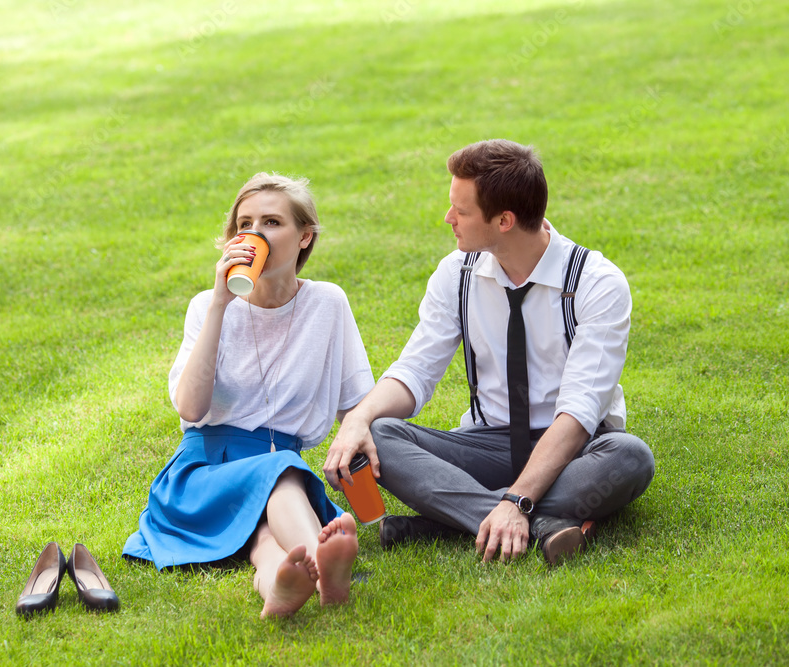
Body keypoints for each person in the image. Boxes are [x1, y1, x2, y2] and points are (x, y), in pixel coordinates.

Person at [324, 139, 655, 565]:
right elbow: (416, 370)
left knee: (631, 456)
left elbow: (578, 414)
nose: (448, 220)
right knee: (382, 435)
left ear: (504, 220)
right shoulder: (456, 274)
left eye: (460, 212)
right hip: (488, 444)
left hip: (575, 448)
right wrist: (359, 419)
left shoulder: (596, 283)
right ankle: (536, 526)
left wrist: (516, 500)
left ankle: (446, 525)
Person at [123, 173, 374, 618]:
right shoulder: (207, 306)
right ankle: (324, 566)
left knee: (263, 540)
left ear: (304, 237)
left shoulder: (328, 304)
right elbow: (190, 408)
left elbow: (356, 402)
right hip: (205, 472)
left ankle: (281, 585)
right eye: (246, 224)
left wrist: (358, 456)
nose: (255, 234)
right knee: (280, 473)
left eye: (272, 222)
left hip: (282, 470)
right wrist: (221, 303)